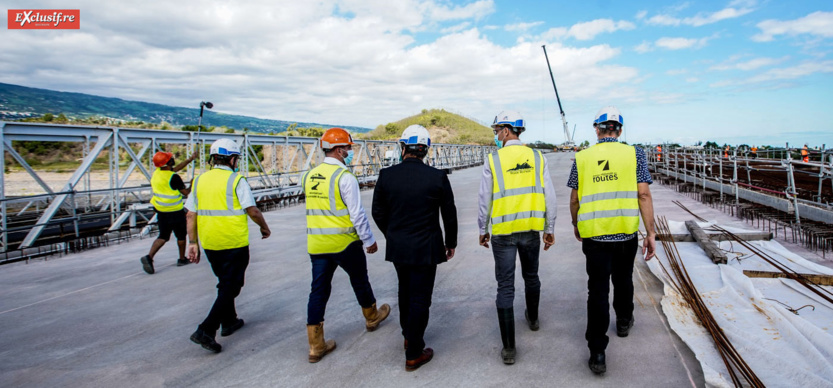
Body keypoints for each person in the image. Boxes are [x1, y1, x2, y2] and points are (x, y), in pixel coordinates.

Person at [567, 106, 657, 374]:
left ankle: (597, 352)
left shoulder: (581, 157)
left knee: (597, 290)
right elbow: (643, 195)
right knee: (623, 278)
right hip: (625, 232)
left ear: (597, 129)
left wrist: (576, 223)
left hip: (594, 235)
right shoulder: (635, 154)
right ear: (619, 130)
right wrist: (650, 232)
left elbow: (574, 198)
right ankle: (624, 321)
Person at [372, 125, 458, 371]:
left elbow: (378, 211)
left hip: (399, 247)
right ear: (425, 150)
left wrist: (393, 233)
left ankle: (408, 336)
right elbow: (449, 215)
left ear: (402, 148)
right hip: (427, 247)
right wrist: (450, 243)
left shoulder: (386, 176)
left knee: (405, 292)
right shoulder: (437, 177)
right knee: (420, 297)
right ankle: (414, 352)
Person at [303, 127, 391, 363]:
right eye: (349, 148)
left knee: (318, 291)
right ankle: (372, 317)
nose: (351, 152)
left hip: (317, 244)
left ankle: (316, 345)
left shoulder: (309, 176)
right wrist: (369, 240)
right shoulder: (344, 177)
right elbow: (357, 214)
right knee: (359, 280)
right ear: (340, 150)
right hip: (344, 242)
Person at [478, 110, 556, 365]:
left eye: (497, 131)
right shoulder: (537, 156)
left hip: (502, 234)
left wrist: (482, 229)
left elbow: (484, 198)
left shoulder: (493, 159)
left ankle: (509, 348)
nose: (496, 136)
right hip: (531, 231)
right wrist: (549, 228)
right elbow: (549, 195)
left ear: (507, 130)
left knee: (505, 286)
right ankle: (532, 319)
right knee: (531, 276)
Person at [185, 138, 271, 353]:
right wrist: (264, 227)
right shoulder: (236, 180)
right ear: (233, 159)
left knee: (224, 282)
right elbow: (252, 210)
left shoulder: (199, 181)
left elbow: (190, 214)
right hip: (233, 241)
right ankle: (206, 329)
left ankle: (230, 321)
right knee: (232, 286)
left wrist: (193, 243)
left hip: (210, 242)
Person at [141, 150, 198, 274]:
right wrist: (192, 184)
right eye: (170, 158)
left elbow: (174, 169)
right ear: (168, 163)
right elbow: (186, 193)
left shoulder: (157, 173)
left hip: (161, 210)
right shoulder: (174, 177)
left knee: (163, 236)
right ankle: (182, 259)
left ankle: (149, 257)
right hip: (175, 211)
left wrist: (189, 159)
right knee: (181, 236)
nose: (173, 159)